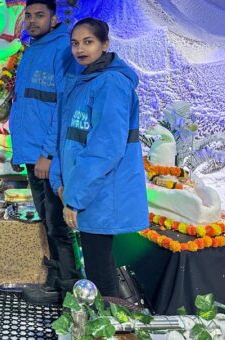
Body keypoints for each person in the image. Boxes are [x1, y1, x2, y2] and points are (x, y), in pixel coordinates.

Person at [50, 18, 148, 297]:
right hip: (83, 189)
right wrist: (60, 182)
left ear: (105, 44)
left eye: (88, 42)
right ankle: (104, 318)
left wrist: (74, 198)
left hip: (101, 192)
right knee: (96, 262)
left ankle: (108, 323)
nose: (80, 49)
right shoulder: (83, 81)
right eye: (75, 43)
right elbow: (67, 138)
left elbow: (105, 149)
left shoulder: (111, 84)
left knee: (99, 265)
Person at [9, 0, 78, 304]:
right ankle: (55, 282)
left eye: (39, 15)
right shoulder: (33, 49)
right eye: (29, 15)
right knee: (48, 221)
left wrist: (48, 155)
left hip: (47, 157)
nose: (32, 21)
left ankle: (71, 290)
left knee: (58, 224)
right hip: (31, 152)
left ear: (53, 18)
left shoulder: (62, 49)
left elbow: (63, 107)